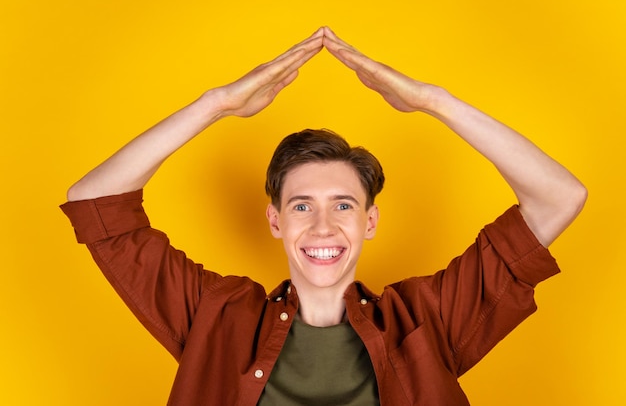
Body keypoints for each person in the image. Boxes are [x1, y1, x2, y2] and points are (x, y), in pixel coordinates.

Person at [61, 27, 587, 405]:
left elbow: (559, 197)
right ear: (275, 222)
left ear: (370, 222)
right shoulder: (214, 318)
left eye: (343, 205)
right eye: (301, 206)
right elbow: (94, 200)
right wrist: (216, 104)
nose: (322, 228)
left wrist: (435, 102)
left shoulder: (428, 322)